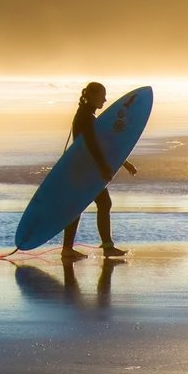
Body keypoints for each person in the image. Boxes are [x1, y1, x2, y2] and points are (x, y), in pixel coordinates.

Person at [62, 81, 137, 261]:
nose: (105, 99)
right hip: (86, 168)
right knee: (100, 203)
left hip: (84, 167)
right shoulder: (86, 117)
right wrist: (103, 166)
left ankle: (69, 249)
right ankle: (104, 247)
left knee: (85, 205)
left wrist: (124, 163)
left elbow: (103, 144)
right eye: (102, 95)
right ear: (93, 96)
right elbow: (92, 146)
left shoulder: (86, 115)